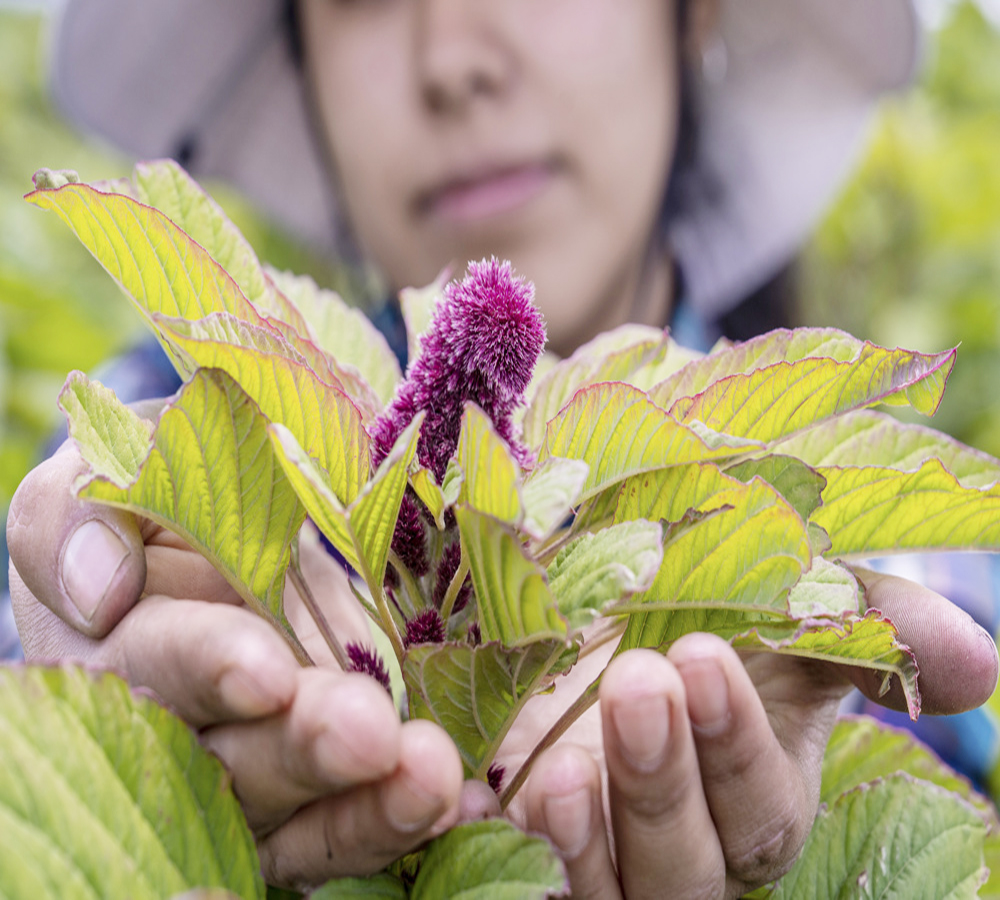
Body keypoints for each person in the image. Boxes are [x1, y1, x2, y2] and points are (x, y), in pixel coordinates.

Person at [6, 0, 999, 896]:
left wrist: (809, 666)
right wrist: (93, 728)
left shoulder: (822, 499)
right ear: (300, 54)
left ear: (694, 16)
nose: (452, 58)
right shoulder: (197, 401)